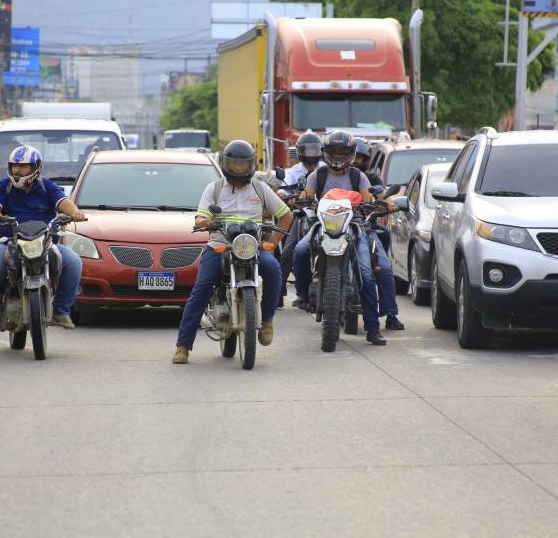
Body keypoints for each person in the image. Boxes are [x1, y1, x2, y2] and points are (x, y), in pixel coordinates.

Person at [173, 140, 293, 364]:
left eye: (242, 164)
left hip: (251, 245)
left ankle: (266, 320)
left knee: (274, 269)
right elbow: (201, 216)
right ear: (225, 163)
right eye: (233, 163)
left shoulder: (260, 187)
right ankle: (182, 346)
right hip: (220, 244)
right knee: (201, 289)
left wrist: (273, 243)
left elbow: (286, 215)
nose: (237, 168)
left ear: (249, 165)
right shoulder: (215, 188)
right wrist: (203, 222)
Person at [292, 131, 403, 346]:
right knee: (299, 250)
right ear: (326, 152)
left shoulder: (357, 176)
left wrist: (379, 202)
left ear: (351, 154)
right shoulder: (318, 175)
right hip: (323, 224)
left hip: (355, 226)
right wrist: (300, 199)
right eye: (334, 151)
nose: (338, 155)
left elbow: (369, 197)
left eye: (343, 151)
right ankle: (304, 295)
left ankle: (372, 329)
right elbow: (306, 194)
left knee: (367, 275)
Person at [0, 146, 87, 330]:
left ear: (35, 168)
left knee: (73, 262)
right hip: (10, 241)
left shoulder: (47, 187)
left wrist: (75, 212)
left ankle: (61, 311)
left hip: (43, 243)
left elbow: (63, 203)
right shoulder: (3, 186)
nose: (17, 170)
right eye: (14, 166)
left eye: (23, 167)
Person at [352, 137, 402, 330]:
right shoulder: (336, 177)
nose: (356, 161)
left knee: (385, 269)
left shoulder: (371, 178)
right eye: (353, 157)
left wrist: (390, 205)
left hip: (366, 229)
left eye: (360, 158)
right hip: (336, 229)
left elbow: (384, 196)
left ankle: (390, 314)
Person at [277, 131, 324, 305]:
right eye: (308, 150)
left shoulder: (326, 169)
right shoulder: (293, 171)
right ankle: (280, 293)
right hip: (301, 213)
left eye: (314, 149)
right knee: (289, 251)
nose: (311, 154)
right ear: (299, 151)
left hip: (324, 215)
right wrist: (283, 195)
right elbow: (283, 188)